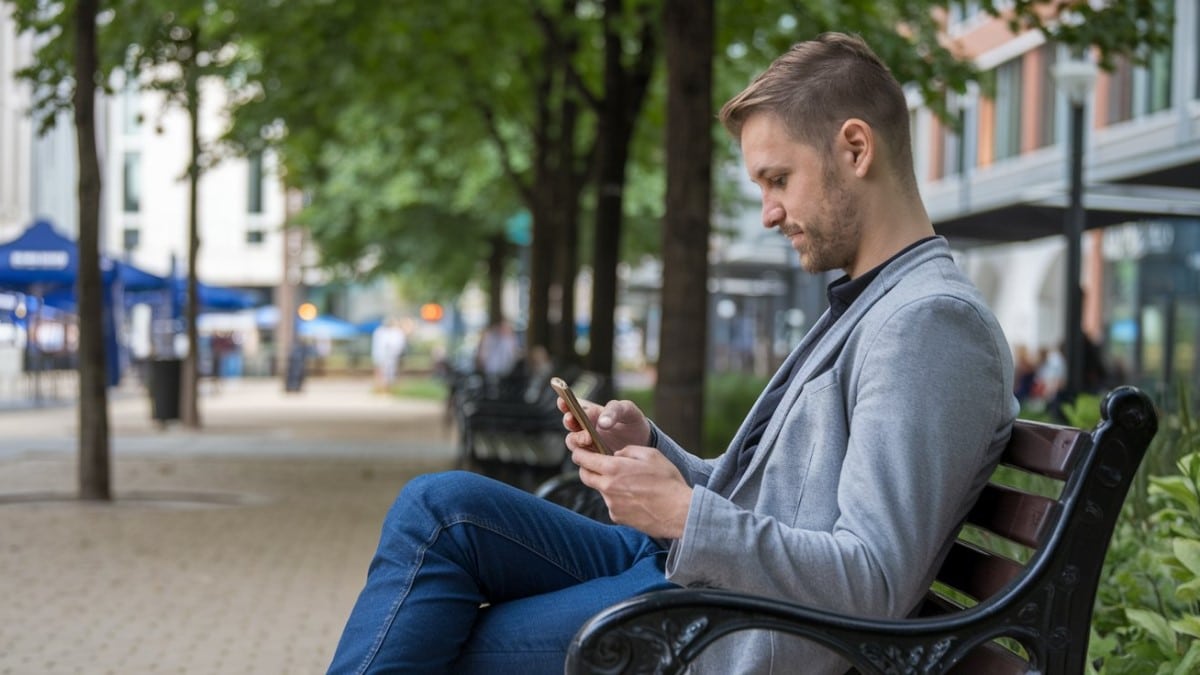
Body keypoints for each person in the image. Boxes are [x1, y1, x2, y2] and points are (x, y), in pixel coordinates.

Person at [327, 32, 1017, 675]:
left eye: (778, 179)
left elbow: (871, 581)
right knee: (438, 507)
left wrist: (684, 512)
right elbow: (778, 498)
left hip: (725, 622)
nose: (769, 212)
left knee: (455, 639)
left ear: (856, 149)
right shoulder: (874, 299)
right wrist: (656, 449)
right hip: (695, 576)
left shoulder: (929, 324)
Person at [370, 318, 406, 391]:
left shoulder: (395, 332)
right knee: (381, 370)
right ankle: (380, 386)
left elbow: (397, 345)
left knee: (391, 371)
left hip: (392, 355)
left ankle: (389, 386)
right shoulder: (381, 331)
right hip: (382, 354)